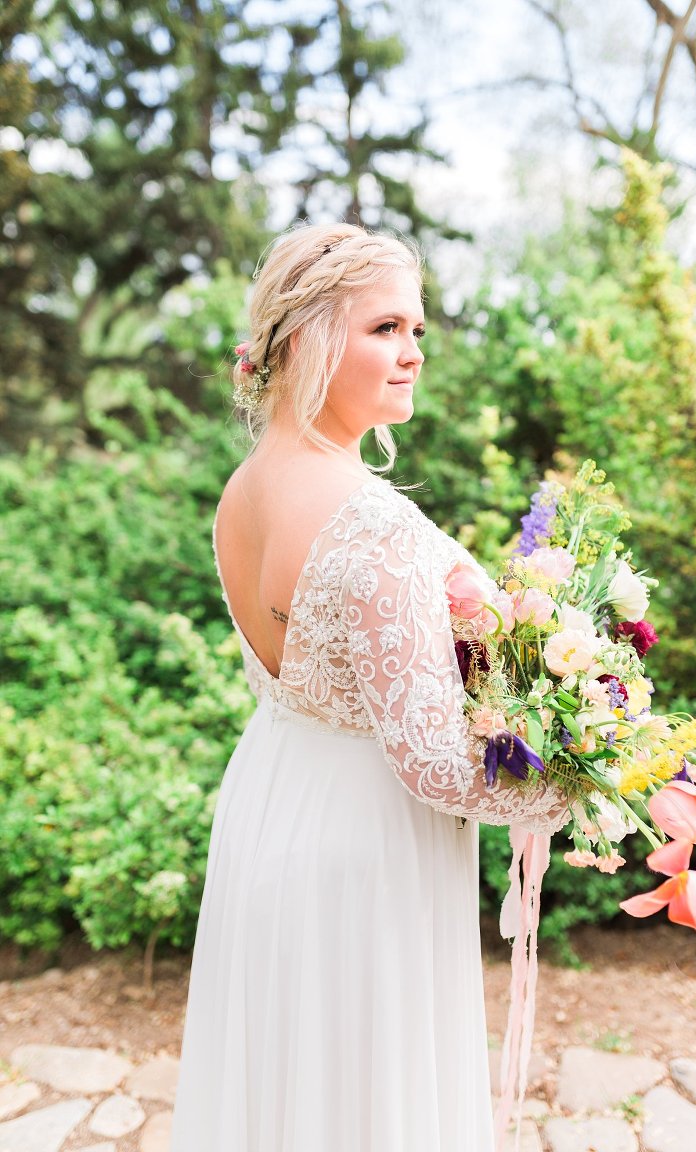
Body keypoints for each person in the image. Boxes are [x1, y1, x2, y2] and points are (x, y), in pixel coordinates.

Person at [169, 222, 568, 1152]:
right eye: (386, 327)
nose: (414, 351)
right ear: (307, 338)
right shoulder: (370, 524)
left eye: (417, 328)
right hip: (365, 845)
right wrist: (588, 779)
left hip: (273, 800)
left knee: (287, 1092)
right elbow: (433, 763)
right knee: (365, 1103)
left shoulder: (244, 490)